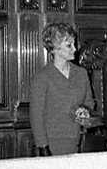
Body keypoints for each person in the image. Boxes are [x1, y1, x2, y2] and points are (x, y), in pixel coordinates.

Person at [30, 23, 95, 155]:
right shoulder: (42, 77)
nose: (75, 49)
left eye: (74, 44)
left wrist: (86, 110)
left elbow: (90, 102)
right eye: (69, 45)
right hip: (53, 145)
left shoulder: (81, 73)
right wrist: (42, 146)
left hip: (81, 141)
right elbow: (36, 116)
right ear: (54, 48)